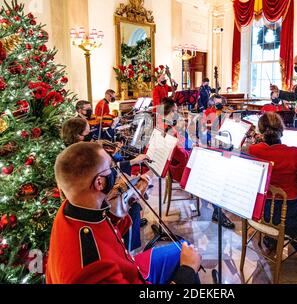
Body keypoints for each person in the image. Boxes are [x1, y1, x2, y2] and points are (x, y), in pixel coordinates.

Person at [47, 142, 201, 284]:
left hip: (128, 267)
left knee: (183, 248)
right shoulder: (91, 268)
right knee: (189, 259)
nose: (116, 173)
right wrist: (187, 271)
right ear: (99, 182)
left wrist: (127, 202)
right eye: (111, 168)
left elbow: (105, 233)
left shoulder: (71, 208)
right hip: (130, 275)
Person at [61, 117, 150, 251]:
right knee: (133, 205)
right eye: (88, 133)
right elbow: (104, 182)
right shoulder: (80, 159)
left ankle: (133, 229)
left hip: (92, 198)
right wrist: (131, 177)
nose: (92, 137)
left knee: (133, 193)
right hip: (91, 207)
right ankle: (128, 249)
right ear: (78, 136)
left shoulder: (75, 152)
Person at [248, 112, 297, 269]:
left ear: (261, 132)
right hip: (286, 216)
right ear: (282, 130)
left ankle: (270, 239)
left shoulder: (252, 150)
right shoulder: (295, 153)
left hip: (258, 212)